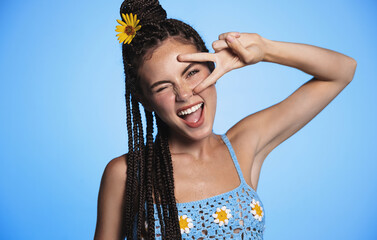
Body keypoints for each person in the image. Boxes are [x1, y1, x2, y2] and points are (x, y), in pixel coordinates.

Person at [94, 0, 357, 239]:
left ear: (213, 67)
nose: (185, 94)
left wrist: (265, 50)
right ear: (145, 100)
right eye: (163, 87)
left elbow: (342, 71)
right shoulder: (126, 173)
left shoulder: (244, 144)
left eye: (191, 73)